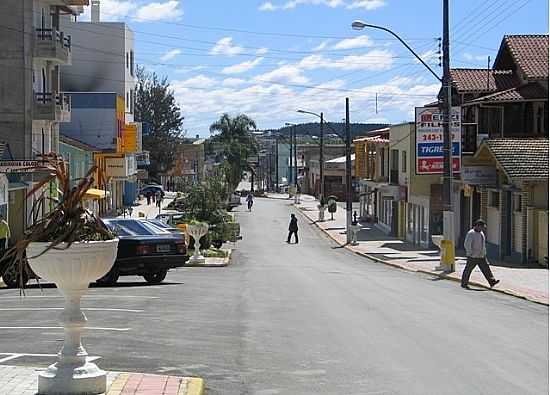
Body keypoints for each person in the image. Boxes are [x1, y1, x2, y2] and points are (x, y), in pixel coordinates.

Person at [461, 219, 500, 289]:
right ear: (477, 226)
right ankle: (464, 283)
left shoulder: (481, 233)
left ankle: (492, 281)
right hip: (473, 256)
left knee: (486, 269)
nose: (482, 228)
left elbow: (483, 244)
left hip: (481, 256)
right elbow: (467, 244)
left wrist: (484, 253)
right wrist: (470, 253)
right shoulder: (471, 233)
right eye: (481, 227)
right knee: (468, 269)